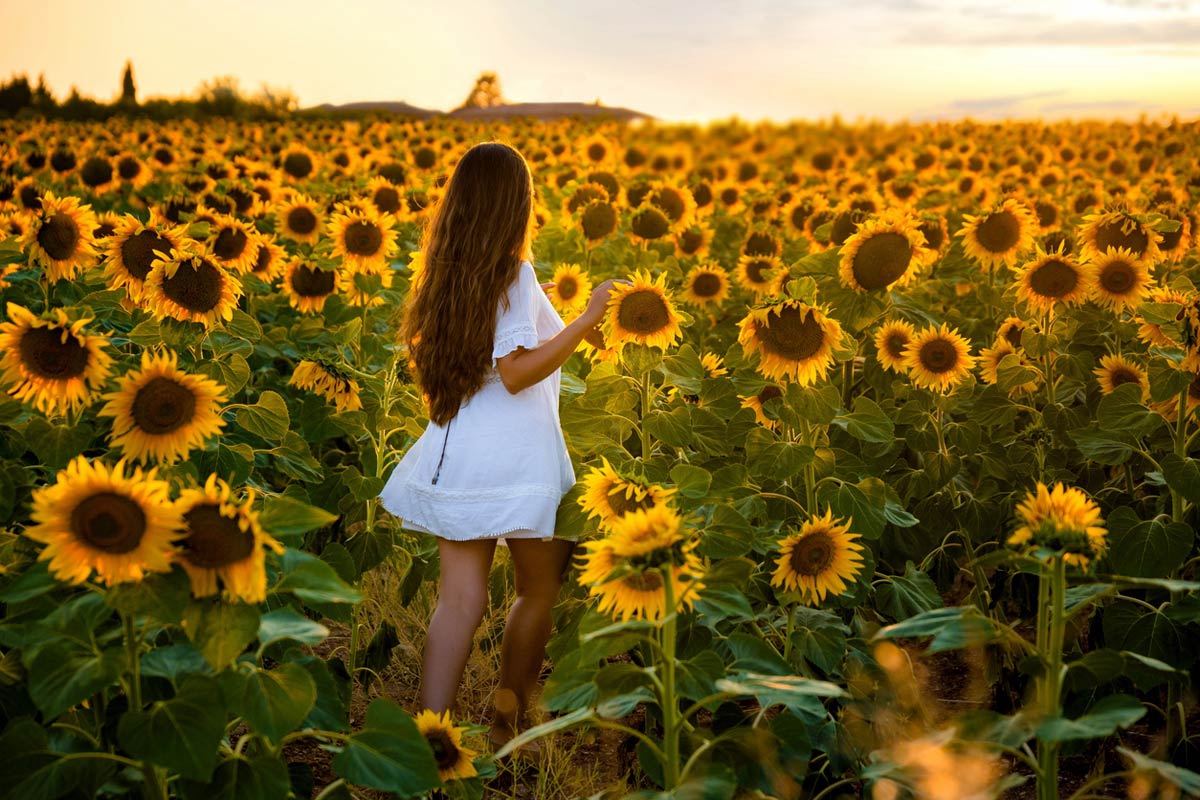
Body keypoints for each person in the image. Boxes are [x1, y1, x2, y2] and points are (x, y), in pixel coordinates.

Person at [378, 141, 623, 754]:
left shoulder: (445, 275)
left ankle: (428, 736)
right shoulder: (513, 271)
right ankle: (506, 726)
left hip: (461, 449)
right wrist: (589, 317)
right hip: (518, 455)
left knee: (459, 598)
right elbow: (515, 370)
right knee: (537, 589)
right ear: (517, 203)